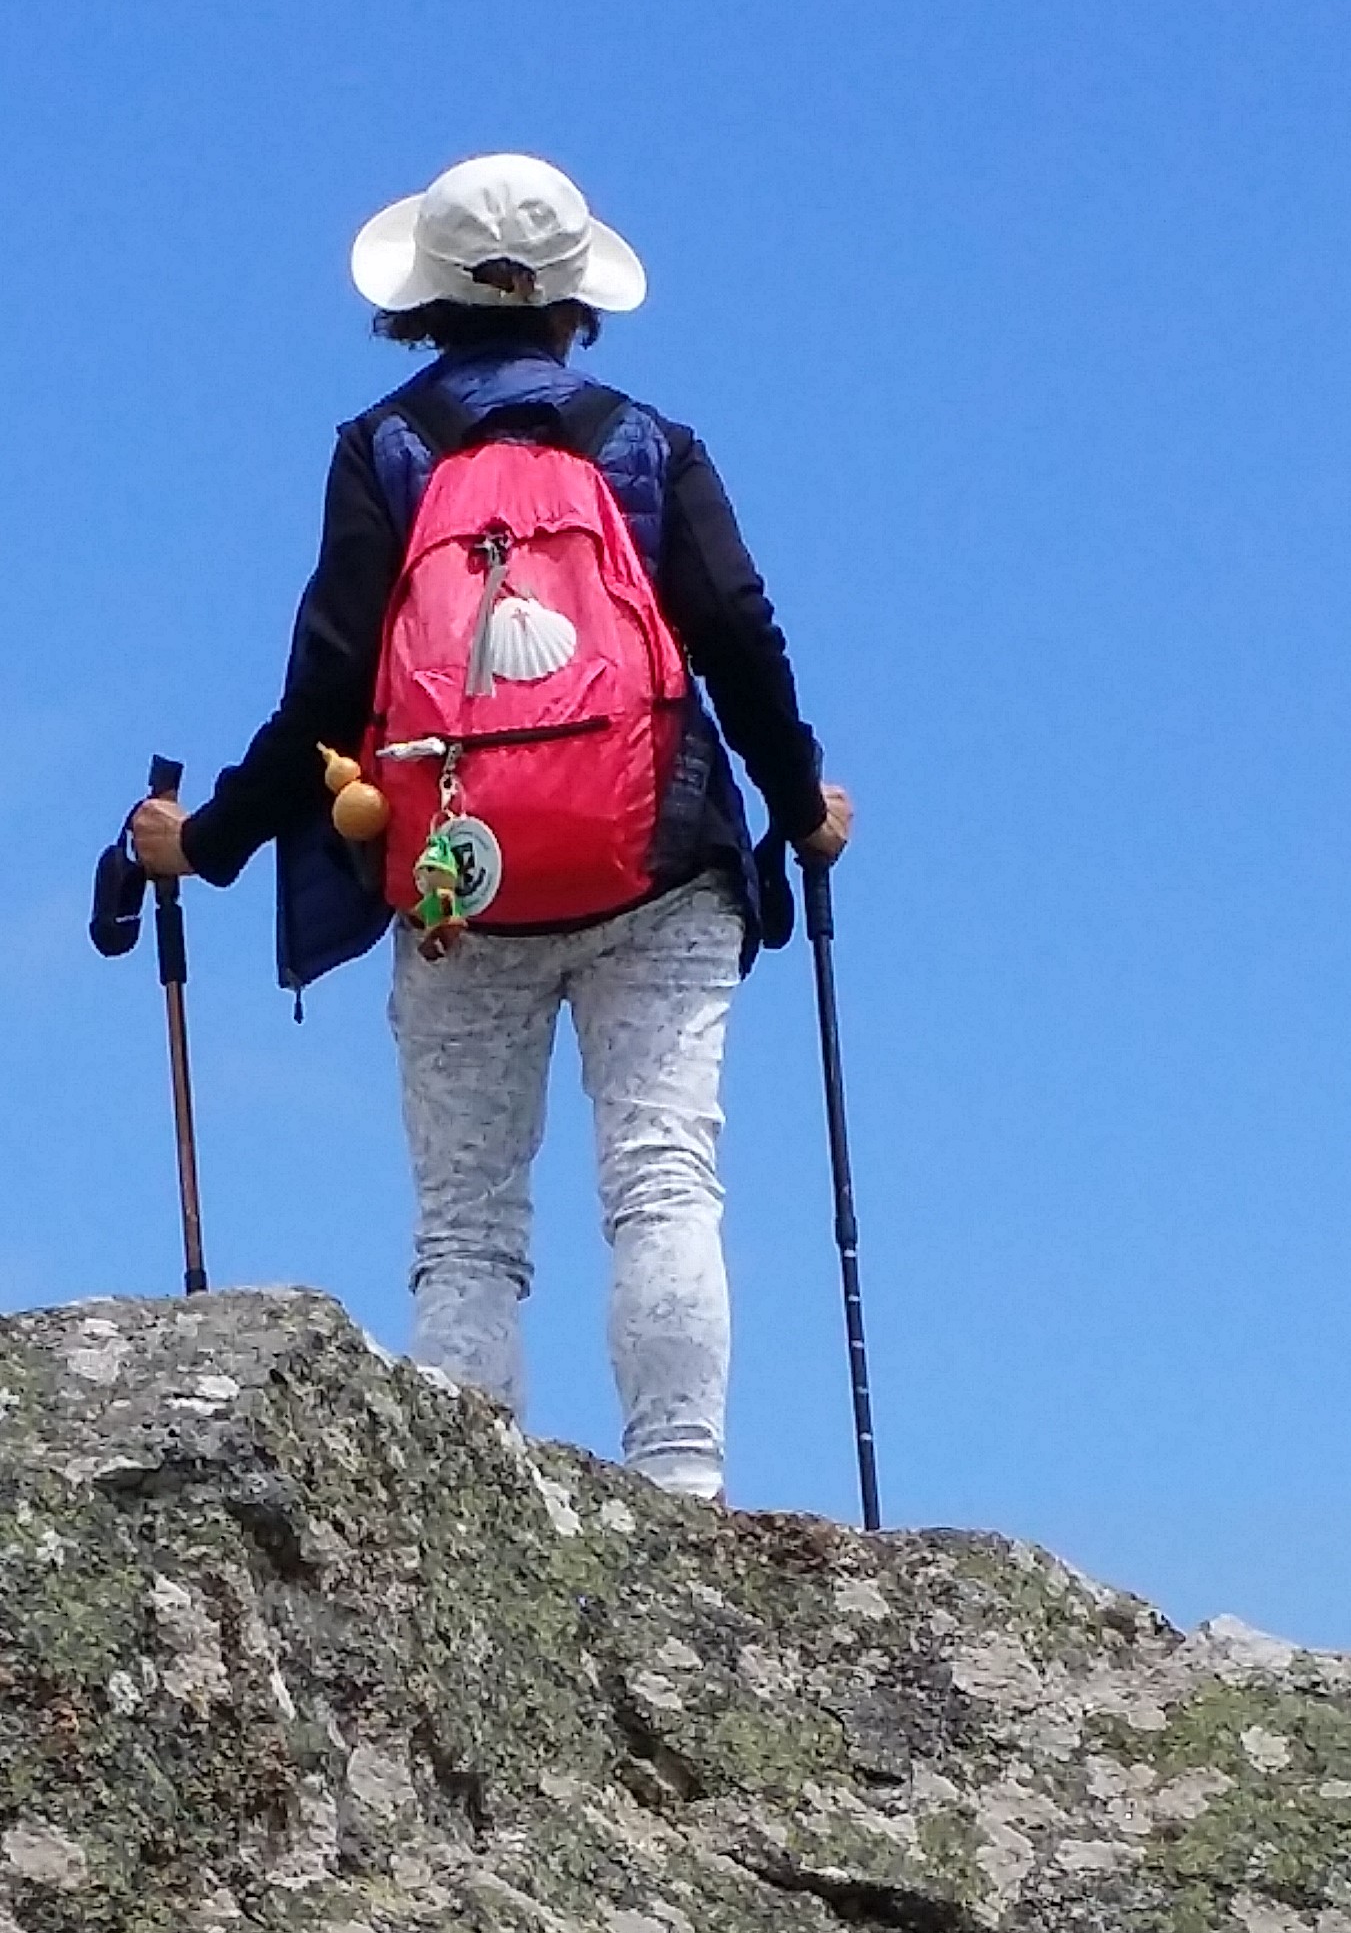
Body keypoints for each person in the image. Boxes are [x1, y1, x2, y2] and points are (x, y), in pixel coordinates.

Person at [132, 151, 851, 1503]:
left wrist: (205, 840)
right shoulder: (647, 446)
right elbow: (741, 639)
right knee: (663, 1180)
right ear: (576, 298)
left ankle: (469, 1514)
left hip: (460, 885)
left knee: (465, 1227)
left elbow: (326, 692)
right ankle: (683, 1491)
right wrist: (803, 804)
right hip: (657, 863)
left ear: (423, 297)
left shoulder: (386, 451)